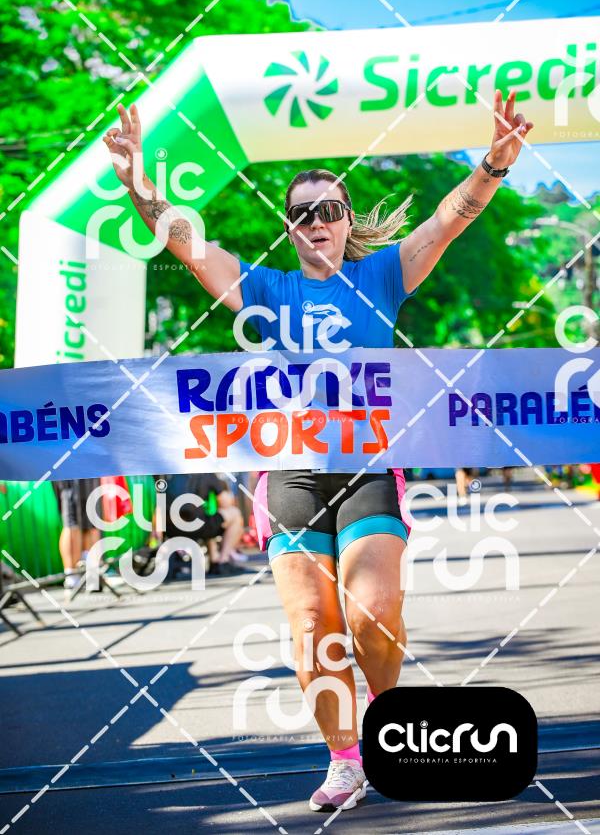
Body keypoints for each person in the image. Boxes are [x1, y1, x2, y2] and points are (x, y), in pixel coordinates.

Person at [103, 90, 533, 812]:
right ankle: (345, 759)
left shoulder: (383, 275)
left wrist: (492, 164)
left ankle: (390, 727)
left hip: (367, 470)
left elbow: (446, 221)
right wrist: (138, 184)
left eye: (329, 209)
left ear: (345, 220)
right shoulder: (265, 289)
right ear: (290, 227)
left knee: (371, 615)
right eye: (302, 213)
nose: (317, 221)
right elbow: (185, 240)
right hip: (293, 474)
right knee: (311, 626)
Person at [154, 473, 247, 577]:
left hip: (168, 528)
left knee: (209, 517)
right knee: (234, 514)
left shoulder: (163, 474)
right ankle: (222, 561)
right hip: (198, 527)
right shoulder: (204, 472)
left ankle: (214, 558)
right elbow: (226, 502)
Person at [51, 478, 101, 597]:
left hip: (90, 473)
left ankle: (90, 574)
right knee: (72, 522)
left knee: (92, 521)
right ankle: (71, 576)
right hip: (69, 476)